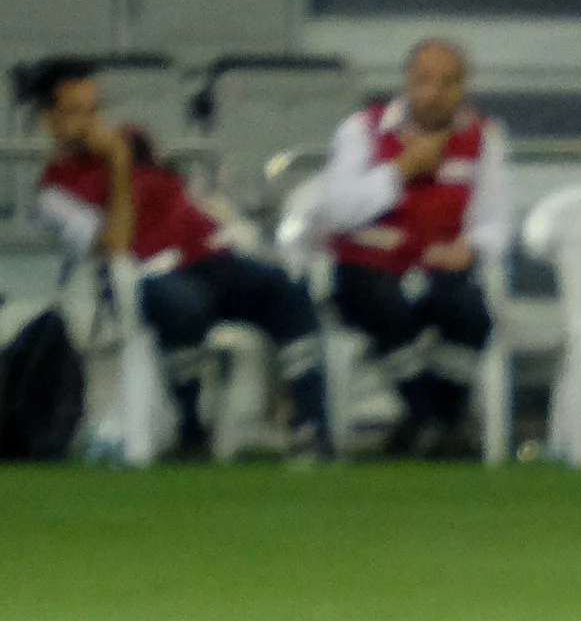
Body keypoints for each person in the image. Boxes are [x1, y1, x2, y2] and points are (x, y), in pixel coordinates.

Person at [23, 58, 332, 464]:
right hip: (146, 275)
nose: (92, 122)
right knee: (184, 305)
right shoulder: (53, 193)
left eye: (95, 109)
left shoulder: (135, 139)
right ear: (49, 121)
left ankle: (310, 425)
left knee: (287, 289)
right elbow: (116, 246)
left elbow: (179, 191)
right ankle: (191, 427)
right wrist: (118, 166)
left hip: (210, 256)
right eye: (76, 113)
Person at [311, 36, 509, 460]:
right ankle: (435, 421)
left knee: (471, 314)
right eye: (424, 81)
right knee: (384, 306)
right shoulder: (361, 130)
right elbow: (337, 212)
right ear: (406, 83)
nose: (434, 93)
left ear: (463, 87)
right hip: (368, 266)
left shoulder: (483, 138)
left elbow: (495, 222)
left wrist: (471, 247)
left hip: (440, 264)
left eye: (448, 82)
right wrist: (400, 171)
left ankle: (427, 426)